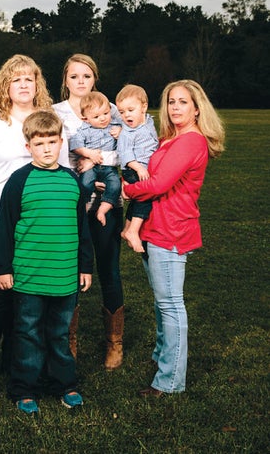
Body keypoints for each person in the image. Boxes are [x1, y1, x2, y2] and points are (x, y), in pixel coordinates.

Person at [0, 54, 70, 392]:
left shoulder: (50, 119)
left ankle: (18, 365)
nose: (23, 84)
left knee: (29, 296)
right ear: (6, 86)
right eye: (16, 79)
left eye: (29, 78)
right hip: (0, 219)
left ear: (37, 83)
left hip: (40, 222)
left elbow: (64, 169)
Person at [122, 79, 225, 397]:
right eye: (171, 101)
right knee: (161, 301)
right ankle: (162, 358)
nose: (175, 107)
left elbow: (158, 184)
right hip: (154, 226)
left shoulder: (191, 142)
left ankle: (169, 381)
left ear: (197, 108)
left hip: (171, 229)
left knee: (170, 304)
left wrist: (125, 189)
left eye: (183, 101)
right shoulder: (170, 138)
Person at [0, 110, 93, 415]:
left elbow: (82, 228)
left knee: (59, 334)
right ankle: (25, 388)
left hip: (64, 277)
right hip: (29, 276)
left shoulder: (72, 181)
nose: (47, 148)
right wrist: (3, 268)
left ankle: (64, 384)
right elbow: (5, 227)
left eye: (52, 141)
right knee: (28, 333)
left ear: (61, 142)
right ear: (29, 147)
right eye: (40, 143)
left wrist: (85, 267)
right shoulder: (18, 182)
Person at [53, 53, 125, 370]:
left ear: (95, 78)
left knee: (108, 268)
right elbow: (48, 154)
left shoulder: (111, 111)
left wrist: (108, 168)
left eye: (86, 76)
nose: (80, 82)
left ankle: (114, 343)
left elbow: (131, 150)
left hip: (108, 202)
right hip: (70, 203)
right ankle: (68, 342)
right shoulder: (55, 112)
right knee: (70, 273)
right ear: (65, 80)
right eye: (74, 76)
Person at [116, 84, 159, 253]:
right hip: (133, 168)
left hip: (144, 167)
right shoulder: (126, 133)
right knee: (145, 196)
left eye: (130, 110)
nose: (126, 115)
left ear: (144, 107)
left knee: (136, 200)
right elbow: (125, 154)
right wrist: (139, 168)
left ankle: (127, 229)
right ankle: (134, 231)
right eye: (121, 112)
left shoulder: (148, 122)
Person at [69, 91, 122, 226]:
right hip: (90, 168)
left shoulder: (115, 126)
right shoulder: (83, 130)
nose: (103, 118)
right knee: (86, 183)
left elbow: (130, 133)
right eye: (96, 116)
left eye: (106, 113)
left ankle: (103, 209)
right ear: (85, 119)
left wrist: (121, 132)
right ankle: (83, 206)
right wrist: (88, 153)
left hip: (109, 168)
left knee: (115, 185)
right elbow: (75, 145)